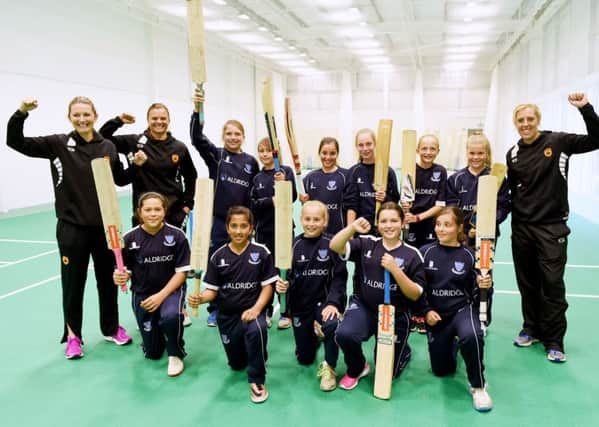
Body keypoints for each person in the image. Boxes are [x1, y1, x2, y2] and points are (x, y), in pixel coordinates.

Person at [6, 96, 133, 359]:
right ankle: (74, 336)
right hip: (72, 228)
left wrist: (136, 164)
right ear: (70, 118)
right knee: (73, 284)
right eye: (77, 115)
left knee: (107, 282)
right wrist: (21, 113)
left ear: (95, 115)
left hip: (104, 227)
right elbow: (15, 141)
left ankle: (110, 328)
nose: (82, 119)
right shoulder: (58, 144)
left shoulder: (107, 146)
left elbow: (120, 179)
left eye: (86, 114)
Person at [507, 93, 599, 363]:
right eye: (521, 120)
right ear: (516, 124)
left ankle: (555, 340)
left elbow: (597, 139)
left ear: (538, 120)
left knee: (552, 284)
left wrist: (585, 108)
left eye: (530, 119)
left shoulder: (558, 142)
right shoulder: (512, 154)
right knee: (527, 283)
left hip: (552, 228)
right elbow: (512, 194)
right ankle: (531, 328)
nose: (525, 124)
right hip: (522, 228)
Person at [330, 202, 424, 391]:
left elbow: (414, 294)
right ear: (377, 224)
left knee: (388, 374)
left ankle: (403, 350)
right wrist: (352, 228)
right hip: (366, 307)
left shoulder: (413, 255)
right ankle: (357, 367)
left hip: (395, 315)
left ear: (403, 222)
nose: (389, 225)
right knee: (344, 334)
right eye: (384, 221)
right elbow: (335, 245)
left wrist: (395, 270)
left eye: (394, 221)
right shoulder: (367, 243)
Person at [187, 206, 277, 403]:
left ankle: (257, 379)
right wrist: (200, 298)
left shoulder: (261, 253)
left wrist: (256, 309)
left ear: (251, 228)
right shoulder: (218, 256)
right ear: (227, 228)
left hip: (252, 312)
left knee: (257, 330)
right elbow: (212, 290)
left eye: (244, 226)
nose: (238, 231)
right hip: (227, 316)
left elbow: (268, 287)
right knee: (236, 364)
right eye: (234, 226)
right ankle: (255, 352)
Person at [190, 90, 260, 326]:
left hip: (243, 223)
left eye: (237, 134)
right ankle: (214, 307)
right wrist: (198, 109)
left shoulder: (251, 162)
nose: (233, 137)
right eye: (228, 134)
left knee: (242, 264)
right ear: (223, 136)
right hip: (220, 221)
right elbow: (197, 138)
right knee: (217, 262)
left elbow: (255, 191)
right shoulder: (216, 156)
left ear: (243, 136)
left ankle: (244, 302)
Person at [420, 207, 492, 412]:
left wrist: (483, 285)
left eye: (447, 225)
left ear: (459, 227)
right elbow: (418, 289)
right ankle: (454, 345)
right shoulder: (425, 253)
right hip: (436, 315)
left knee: (472, 335)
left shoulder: (469, 255)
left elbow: (478, 294)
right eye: (438, 224)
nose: (441, 229)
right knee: (442, 371)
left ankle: (478, 386)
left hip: (462, 310)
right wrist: (425, 311)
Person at [113, 192, 191, 376]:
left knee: (171, 316)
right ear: (139, 212)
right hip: (143, 294)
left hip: (170, 292)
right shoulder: (129, 238)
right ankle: (155, 337)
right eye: (148, 209)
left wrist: (161, 296)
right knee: (153, 353)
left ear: (164, 211)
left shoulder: (177, 236)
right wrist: (120, 277)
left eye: (157, 209)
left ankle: (175, 352)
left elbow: (182, 273)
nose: (153, 213)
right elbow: (125, 269)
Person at [275, 201, 348, 391]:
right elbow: (287, 277)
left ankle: (329, 367)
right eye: (307, 219)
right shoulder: (293, 245)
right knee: (304, 359)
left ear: (325, 221)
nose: (311, 223)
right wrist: (283, 287)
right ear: (301, 219)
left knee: (332, 323)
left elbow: (339, 278)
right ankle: (315, 335)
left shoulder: (332, 244)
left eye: (317, 219)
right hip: (302, 306)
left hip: (325, 304)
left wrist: (333, 304)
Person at [99, 103, 197, 229]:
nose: (159, 122)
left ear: (169, 120)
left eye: (163, 118)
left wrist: (187, 206)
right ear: (148, 120)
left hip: (173, 214)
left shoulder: (179, 148)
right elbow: (102, 139)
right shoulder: (134, 142)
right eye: (154, 118)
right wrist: (118, 121)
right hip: (143, 215)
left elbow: (191, 177)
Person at [446, 133, 510, 326]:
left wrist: (485, 227)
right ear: (467, 153)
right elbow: (450, 210)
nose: (476, 157)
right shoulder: (456, 179)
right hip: (460, 238)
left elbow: (504, 206)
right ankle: (460, 315)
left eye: (480, 153)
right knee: (459, 275)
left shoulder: (496, 178)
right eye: (472, 153)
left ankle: (483, 317)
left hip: (486, 239)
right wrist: (463, 231)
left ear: (487, 153)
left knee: (484, 277)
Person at [401, 134, 447, 333]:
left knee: (428, 270)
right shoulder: (409, 170)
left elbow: (440, 205)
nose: (428, 152)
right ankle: (411, 313)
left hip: (430, 227)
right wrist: (405, 210)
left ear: (438, 151)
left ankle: (425, 312)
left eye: (433, 148)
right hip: (410, 229)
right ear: (418, 150)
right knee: (410, 270)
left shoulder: (440, 171)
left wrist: (418, 217)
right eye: (425, 148)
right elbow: (402, 198)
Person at [250, 137, 297, 329]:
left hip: (284, 230)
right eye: (260, 151)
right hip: (264, 231)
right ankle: (267, 310)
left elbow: (292, 197)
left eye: (268, 151)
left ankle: (286, 312)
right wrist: (270, 201)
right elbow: (252, 204)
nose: (264, 154)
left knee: (286, 270)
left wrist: (284, 184)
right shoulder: (257, 178)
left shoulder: (285, 172)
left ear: (275, 153)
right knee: (265, 272)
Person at [344, 128, 399, 229]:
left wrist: (385, 198)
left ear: (375, 144)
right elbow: (351, 205)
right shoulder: (353, 172)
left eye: (369, 144)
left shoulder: (387, 171)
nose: (365, 148)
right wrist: (350, 232)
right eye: (361, 145)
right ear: (356, 147)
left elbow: (395, 201)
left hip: (382, 228)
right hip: (361, 228)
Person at [300, 137, 348, 235]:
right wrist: (303, 201)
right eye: (324, 153)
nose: (328, 157)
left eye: (332, 153)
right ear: (319, 153)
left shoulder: (346, 176)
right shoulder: (310, 178)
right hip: (316, 235)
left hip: (339, 233)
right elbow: (306, 206)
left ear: (337, 154)